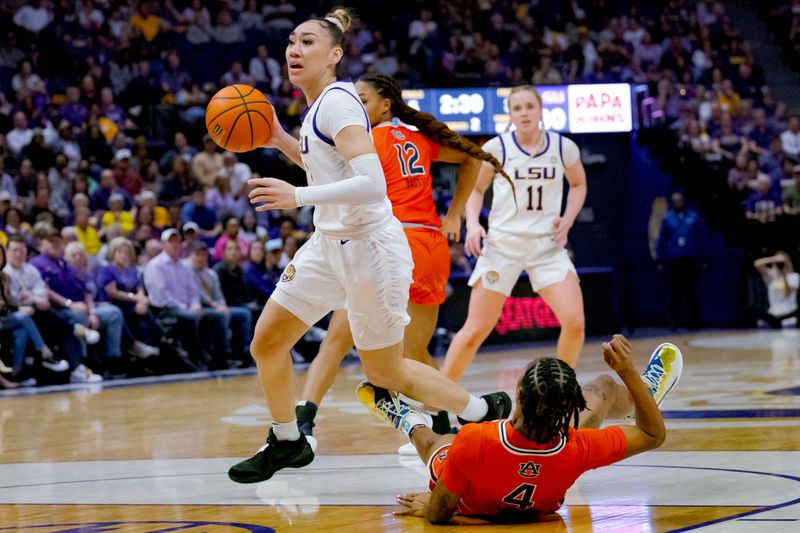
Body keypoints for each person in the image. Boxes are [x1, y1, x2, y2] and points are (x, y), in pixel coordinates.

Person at [229, 7, 511, 484]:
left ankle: (482, 409)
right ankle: (288, 440)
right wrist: (279, 137)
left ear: (335, 54)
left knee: (387, 373)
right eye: (292, 42)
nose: (294, 50)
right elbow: (326, 169)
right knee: (268, 341)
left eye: (308, 43)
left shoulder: (338, 102)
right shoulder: (318, 108)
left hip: (370, 248)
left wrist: (295, 195)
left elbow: (371, 184)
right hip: (329, 243)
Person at [295, 73, 512, 439]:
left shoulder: (363, 139)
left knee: (340, 340)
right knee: (411, 355)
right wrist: (454, 213)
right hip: (429, 244)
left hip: (386, 242)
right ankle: (451, 418)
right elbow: (471, 160)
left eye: (363, 101)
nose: (356, 108)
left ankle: (304, 419)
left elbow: (323, 176)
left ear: (385, 105)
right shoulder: (417, 138)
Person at [360, 335, 682, 524]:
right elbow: (654, 435)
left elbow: (440, 512)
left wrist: (427, 508)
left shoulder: (475, 439)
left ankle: (407, 419)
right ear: (569, 410)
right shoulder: (578, 446)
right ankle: (643, 395)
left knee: (434, 441)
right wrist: (627, 372)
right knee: (603, 386)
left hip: (473, 501)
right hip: (548, 473)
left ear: (517, 395)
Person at [442, 85, 588, 382]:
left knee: (575, 322)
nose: (524, 113)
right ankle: (441, 394)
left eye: (529, 106)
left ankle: (561, 388)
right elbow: (476, 188)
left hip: (547, 246)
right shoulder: (498, 148)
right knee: (475, 330)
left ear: (540, 110)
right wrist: (473, 223)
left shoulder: (563, 147)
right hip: (503, 246)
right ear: (510, 114)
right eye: (517, 108)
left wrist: (568, 219)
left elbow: (579, 184)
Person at [656, 192, 704, 330]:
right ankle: (674, 322)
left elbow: (701, 238)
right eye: (674, 201)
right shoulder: (667, 218)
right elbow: (662, 240)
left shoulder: (694, 217)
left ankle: (693, 323)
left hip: (690, 259)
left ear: (684, 201)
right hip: (673, 260)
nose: (678, 203)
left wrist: (703, 258)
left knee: (691, 293)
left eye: (680, 200)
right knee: (673, 294)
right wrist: (660, 259)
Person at [753, 252, 799, 328]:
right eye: (778, 263)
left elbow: (788, 292)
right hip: (773, 314)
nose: (780, 265)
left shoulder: (794, 277)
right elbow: (757, 264)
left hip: (788, 315)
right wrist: (774, 258)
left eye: (781, 263)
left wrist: (784, 275)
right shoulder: (771, 277)